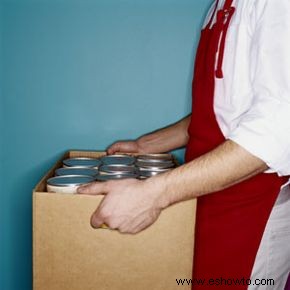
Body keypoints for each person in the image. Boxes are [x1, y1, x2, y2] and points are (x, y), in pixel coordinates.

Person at [78, 0, 290, 289]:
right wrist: (147, 145)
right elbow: (224, 111)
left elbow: (278, 128)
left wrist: (153, 195)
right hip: (208, 197)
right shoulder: (219, 6)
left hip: (252, 208)